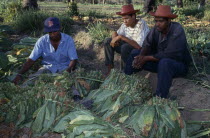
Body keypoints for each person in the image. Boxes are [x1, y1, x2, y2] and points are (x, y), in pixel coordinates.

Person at [125, 5, 191, 98]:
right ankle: (124, 83)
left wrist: (146, 58)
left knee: (165, 62)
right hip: (160, 63)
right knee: (135, 53)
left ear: (168, 21)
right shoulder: (156, 29)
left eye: (161, 21)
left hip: (178, 65)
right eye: (156, 21)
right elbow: (147, 44)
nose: (157, 24)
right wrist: (141, 56)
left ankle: (160, 97)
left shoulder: (177, 30)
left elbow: (169, 54)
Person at [13, 17, 78, 85]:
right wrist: (19, 74)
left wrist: (68, 71)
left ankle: (75, 95)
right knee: (31, 81)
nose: (53, 34)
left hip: (64, 68)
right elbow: (31, 60)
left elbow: (73, 59)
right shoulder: (42, 41)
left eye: (55, 31)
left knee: (71, 85)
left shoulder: (68, 40)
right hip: (47, 68)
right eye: (50, 32)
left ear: (60, 28)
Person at [104, 4, 149, 75]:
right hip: (127, 47)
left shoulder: (141, 24)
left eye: (126, 18)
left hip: (138, 52)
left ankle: (124, 72)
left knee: (125, 47)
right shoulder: (125, 25)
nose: (124, 21)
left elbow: (139, 46)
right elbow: (116, 33)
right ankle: (110, 69)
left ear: (133, 16)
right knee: (107, 41)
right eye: (123, 19)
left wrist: (121, 37)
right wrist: (114, 37)